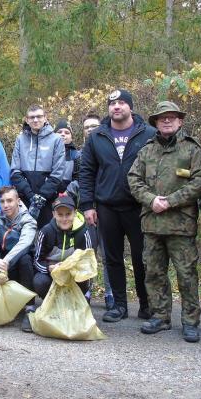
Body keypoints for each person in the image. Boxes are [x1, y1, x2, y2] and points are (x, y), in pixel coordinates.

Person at [128, 101, 201, 343]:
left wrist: (170, 201)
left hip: (180, 225)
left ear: (180, 121)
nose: (166, 121)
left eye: (171, 117)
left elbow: (200, 181)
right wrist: (151, 200)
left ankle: (191, 321)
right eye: (162, 118)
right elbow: (133, 179)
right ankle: (160, 316)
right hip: (152, 223)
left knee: (186, 274)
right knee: (154, 273)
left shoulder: (191, 149)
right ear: (156, 123)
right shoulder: (147, 150)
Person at [78, 89, 156, 323]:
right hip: (107, 206)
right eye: (112, 103)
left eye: (122, 103)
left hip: (138, 206)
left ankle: (146, 304)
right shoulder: (97, 137)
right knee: (112, 258)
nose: (117, 107)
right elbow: (86, 172)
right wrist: (88, 205)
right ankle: (119, 305)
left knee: (142, 257)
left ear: (130, 107)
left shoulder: (148, 134)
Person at [31, 194, 96, 329]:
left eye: (68, 214)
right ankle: (52, 307)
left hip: (73, 275)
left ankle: (81, 301)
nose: (64, 218)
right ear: (54, 214)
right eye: (60, 215)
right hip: (51, 274)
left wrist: (71, 270)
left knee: (84, 278)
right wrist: (49, 269)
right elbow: (37, 260)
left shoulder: (84, 232)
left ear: (75, 213)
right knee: (39, 281)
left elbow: (89, 263)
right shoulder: (46, 231)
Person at [0, 185, 37, 332]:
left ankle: (30, 308)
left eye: (10, 200)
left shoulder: (29, 220)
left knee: (25, 259)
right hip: (3, 263)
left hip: (20, 265)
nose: (6, 205)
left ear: (18, 201)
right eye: (2, 201)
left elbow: (24, 243)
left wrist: (6, 261)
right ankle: (4, 306)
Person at [10, 105, 65, 226]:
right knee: (25, 237)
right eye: (32, 117)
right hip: (25, 198)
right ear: (27, 119)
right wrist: (30, 195)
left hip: (48, 199)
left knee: (47, 238)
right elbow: (14, 171)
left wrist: (41, 196)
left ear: (45, 118)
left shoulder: (56, 139)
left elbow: (58, 173)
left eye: (39, 116)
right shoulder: (20, 139)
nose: (35, 120)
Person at [81, 111, 114, 311]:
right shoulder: (79, 153)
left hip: (106, 207)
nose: (91, 130)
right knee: (87, 252)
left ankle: (111, 292)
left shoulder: (107, 149)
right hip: (84, 210)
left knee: (108, 254)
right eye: (87, 127)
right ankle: (86, 290)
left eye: (94, 126)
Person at [55, 119, 80, 193]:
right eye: (59, 132)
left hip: (68, 198)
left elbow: (79, 179)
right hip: (47, 196)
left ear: (71, 138)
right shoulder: (46, 153)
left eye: (67, 132)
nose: (63, 134)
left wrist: (67, 193)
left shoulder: (76, 155)